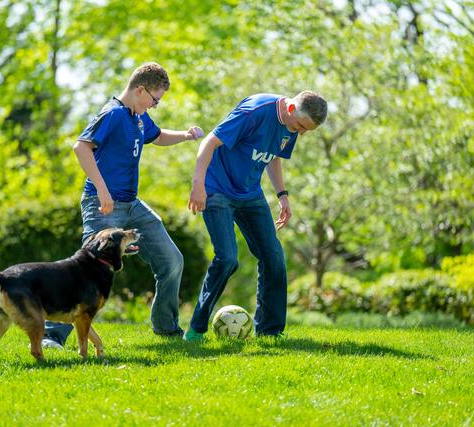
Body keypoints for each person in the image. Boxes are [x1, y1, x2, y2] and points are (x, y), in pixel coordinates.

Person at [43, 62, 204, 348]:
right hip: (102, 203)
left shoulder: (138, 118)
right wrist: (103, 190)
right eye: (155, 100)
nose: (155, 106)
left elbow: (157, 136)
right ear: (140, 90)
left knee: (171, 260)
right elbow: (81, 147)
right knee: (85, 270)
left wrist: (186, 136)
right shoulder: (114, 114)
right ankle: (52, 336)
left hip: (132, 206)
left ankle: (166, 329)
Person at [183, 91, 327, 341]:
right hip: (216, 188)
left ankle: (270, 331)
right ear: (291, 109)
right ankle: (196, 328)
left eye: (306, 130)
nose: (301, 132)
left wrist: (283, 194)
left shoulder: (291, 126)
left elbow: (273, 157)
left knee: (274, 258)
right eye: (301, 126)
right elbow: (210, 141)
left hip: (250, 193)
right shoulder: (255, 112)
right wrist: (198, 184)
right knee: (227, 259)